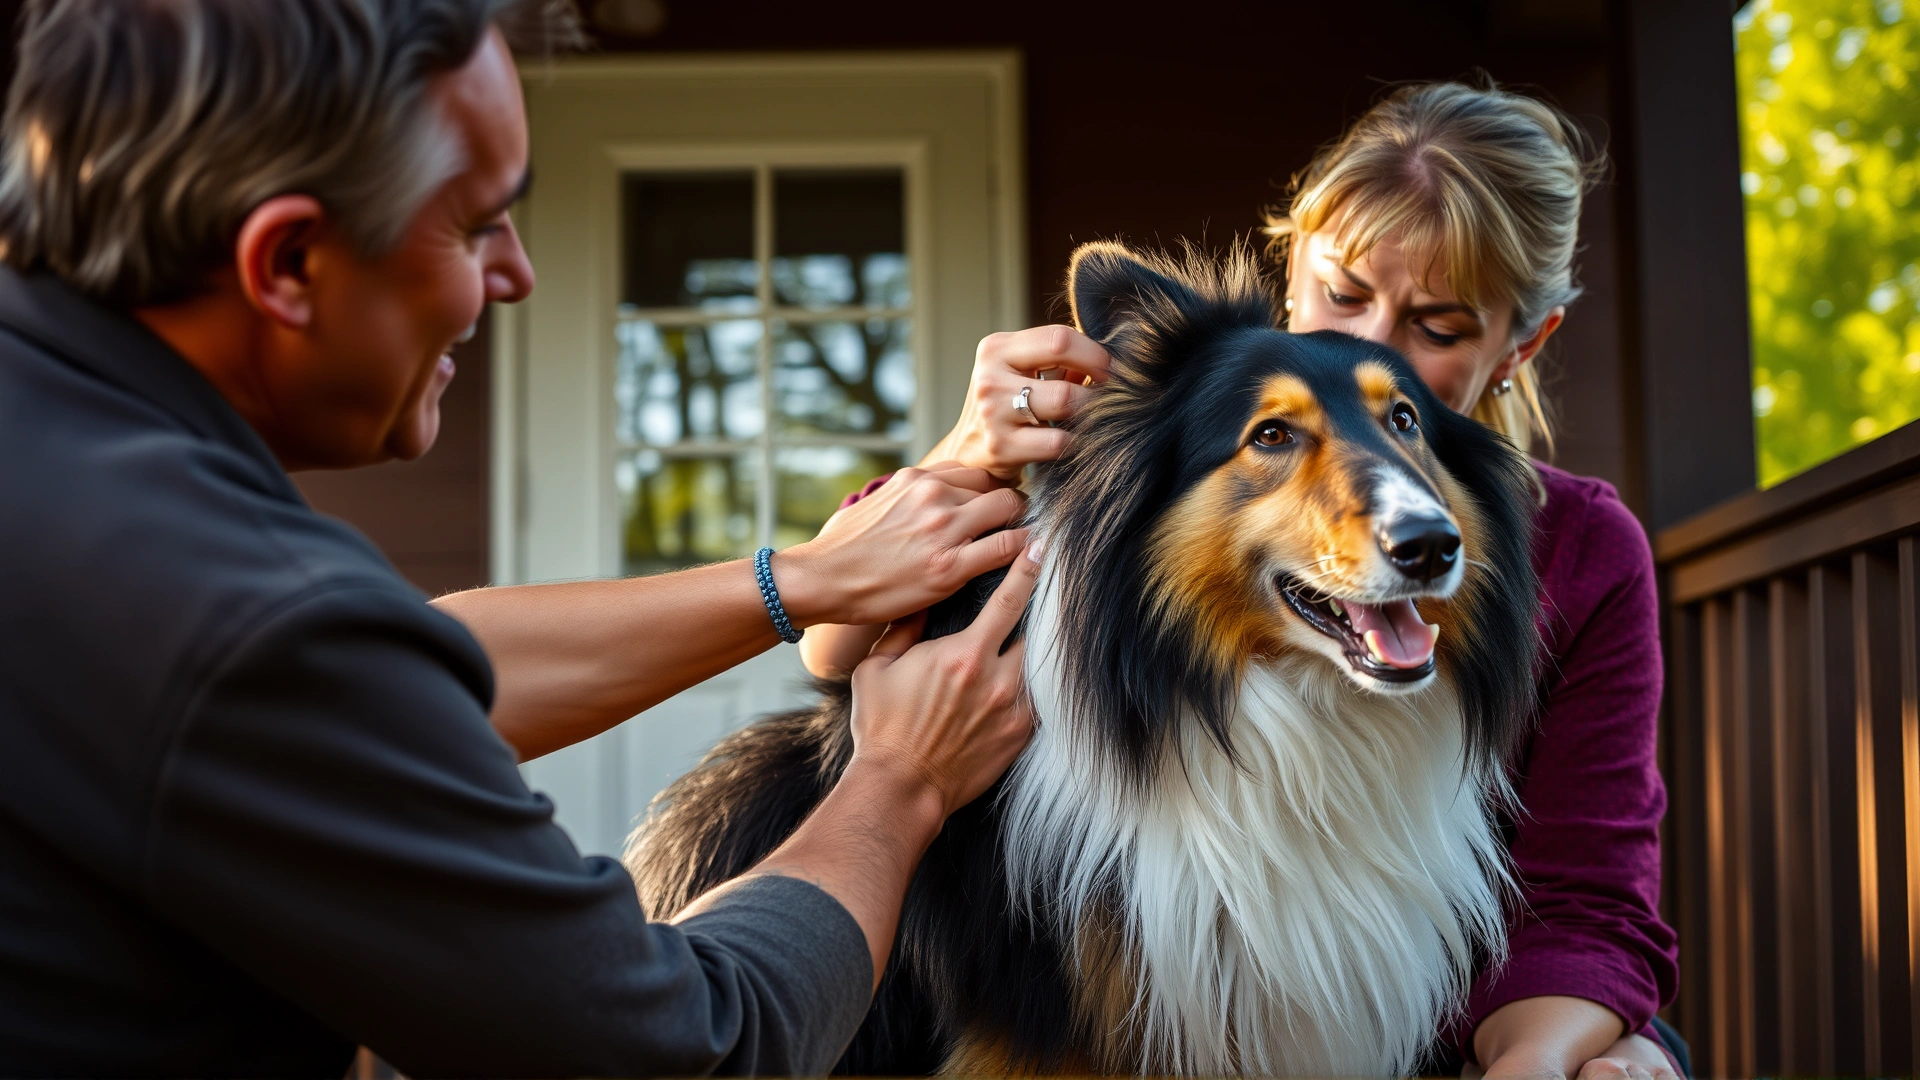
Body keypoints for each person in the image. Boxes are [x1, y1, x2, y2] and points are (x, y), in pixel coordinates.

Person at [0, 1, 1038, 1076]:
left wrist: (807, 581)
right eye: (476, 224)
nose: (517, 273)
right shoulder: (228, 618)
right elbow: (686, 1050)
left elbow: (413, 685)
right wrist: (899, 779)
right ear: (290, 263)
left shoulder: (70, 480)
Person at [803, 82, 1685, 1080]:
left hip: (1441, 1026)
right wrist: (967, 453)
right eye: (1344, 294)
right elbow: (830, 637)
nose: (1367, 346)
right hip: (1098, 1007)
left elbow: (1586, 898)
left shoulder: (1574, 544)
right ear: (1293, 263)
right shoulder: (1166, 450)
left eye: (1438, 326)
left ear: (1518, 347)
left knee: (1642, 1063)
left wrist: (1541, 1062)